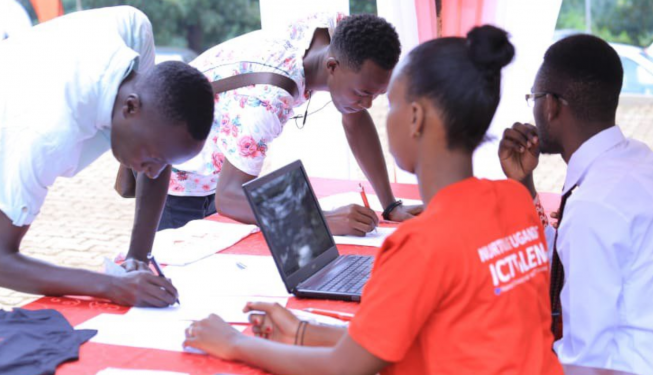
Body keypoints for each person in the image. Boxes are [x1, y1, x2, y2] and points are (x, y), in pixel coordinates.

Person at [181, 26, 563, 375]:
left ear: (415, 118)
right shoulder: (516, 201)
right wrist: (302, 332)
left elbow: (345, 367)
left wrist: (233, 343)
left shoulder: (419, 245)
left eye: (390, 103)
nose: (376, 113)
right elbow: (443, 335)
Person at [0, 6, 215, 338]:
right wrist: (114, 286)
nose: (153, 172)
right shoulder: (47, 130)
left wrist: (137, 257)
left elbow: (159, 146)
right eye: (152, 157)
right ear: (130, 107)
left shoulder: (133, 30)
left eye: (166, 162)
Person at [123, 13, 422, 269]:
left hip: (216, 169)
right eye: (363, 93)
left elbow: (355, 117)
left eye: (376, 95)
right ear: (332, 67)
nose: (368, 104)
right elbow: (227, 198)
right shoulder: (267, 101)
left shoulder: (336, 33)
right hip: (180, 181)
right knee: (176, 281)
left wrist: (390, 206)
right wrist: (322, 220)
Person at [499, 34, 653, 374]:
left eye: (533, 97)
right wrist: (523, 186)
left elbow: (585, 361)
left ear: (551, 106)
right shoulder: (640, 162)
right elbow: (564, 256)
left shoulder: (595, 205)